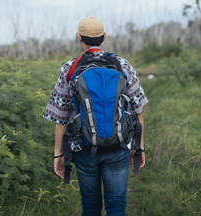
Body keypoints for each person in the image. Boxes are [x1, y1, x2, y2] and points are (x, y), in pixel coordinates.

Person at [44, 17, 148, 216]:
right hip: (119, 146)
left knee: (90, 207)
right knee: (116, 206)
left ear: (80, 38)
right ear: (104, 37)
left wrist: (59, 154)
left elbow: (61, 117)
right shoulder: (123, 65)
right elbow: (138, 111)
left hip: (83, 147)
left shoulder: (69, 68)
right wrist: (139, 147)